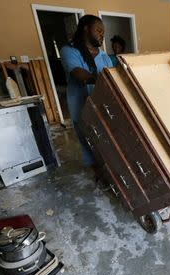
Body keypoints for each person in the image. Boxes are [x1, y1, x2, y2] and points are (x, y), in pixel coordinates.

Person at [60, 15, 112, 166]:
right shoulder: (69, 51)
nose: (102, 34)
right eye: (99, 30)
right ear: (86, 29)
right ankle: (97, 171)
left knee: (107, 143)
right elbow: (79, 74)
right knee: (90, 144)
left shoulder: (104, 56)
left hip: (103, 109)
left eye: (103, 32)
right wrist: (106, 79)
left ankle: (111, 171)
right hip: (81, 107)